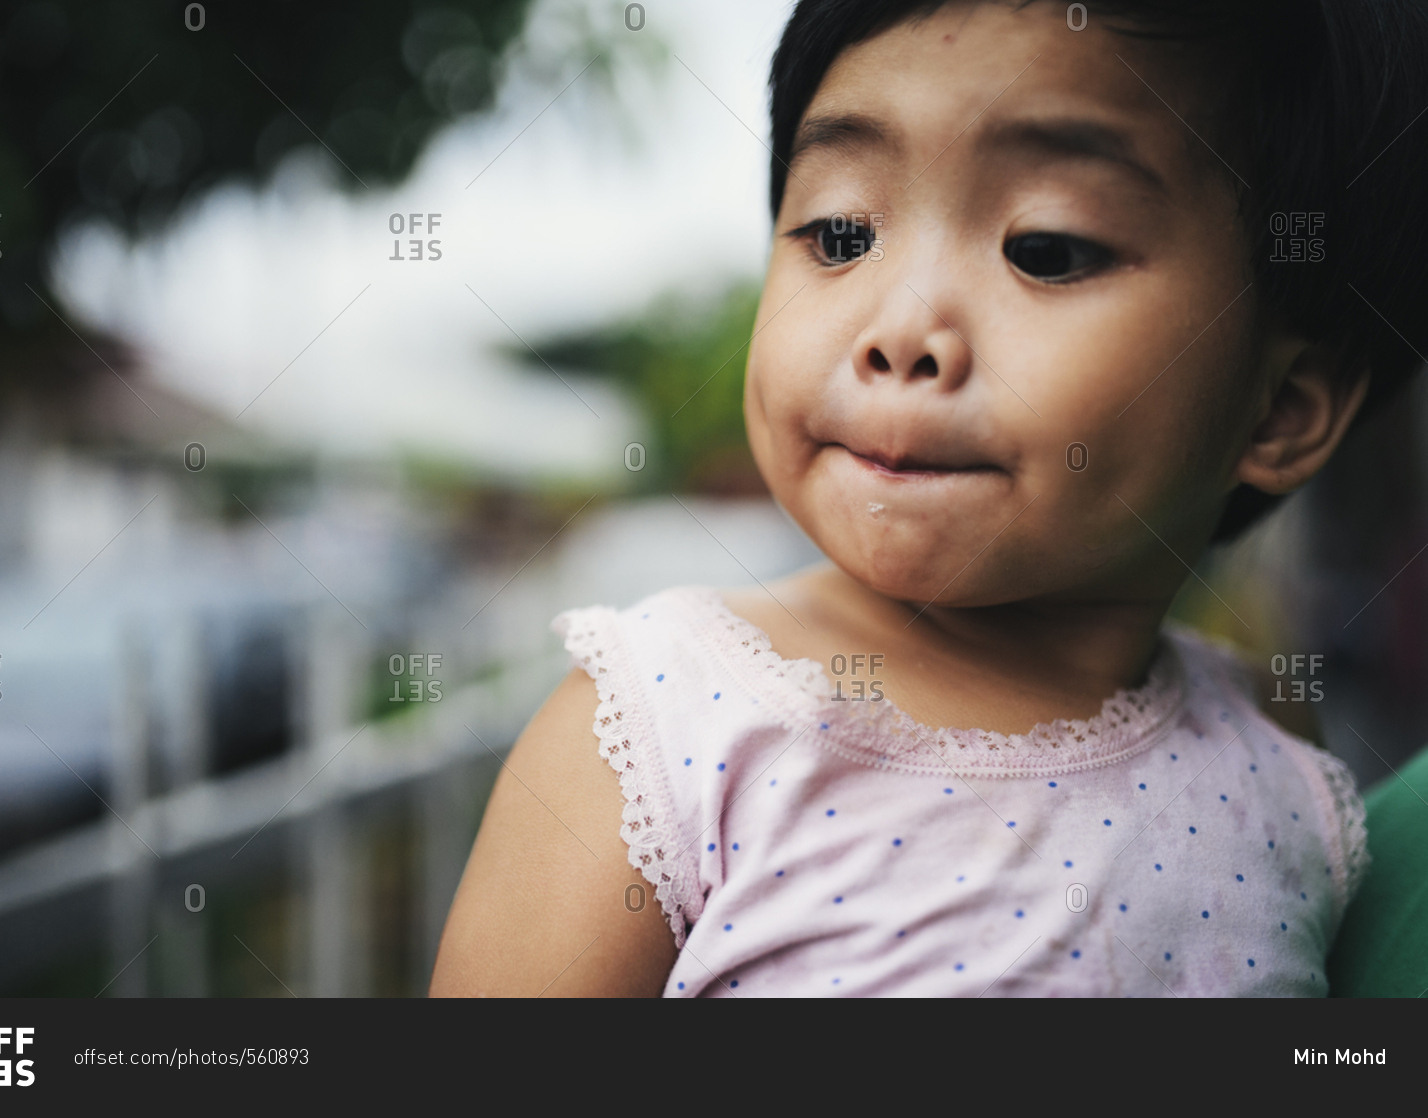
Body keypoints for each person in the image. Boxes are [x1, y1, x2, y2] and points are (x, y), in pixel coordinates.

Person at [429, 0, 1428, 996]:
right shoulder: (662, 725)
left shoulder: (1273, 745)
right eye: (837, 233)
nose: (901, 328)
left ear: (1280, 409)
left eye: (1046, 248)